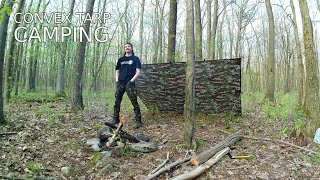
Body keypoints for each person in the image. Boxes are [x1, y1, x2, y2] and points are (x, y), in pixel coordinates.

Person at [110, 42, 142, 128]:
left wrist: (131, 81)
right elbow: (117, 71)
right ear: (124, 49)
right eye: (126, 47)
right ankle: (115, 119)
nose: (127, 48)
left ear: (131, 48)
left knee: (134, 101)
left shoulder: (135, 59)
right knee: (117, 101)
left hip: (130, 83)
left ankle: (138, 121)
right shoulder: (121, 60)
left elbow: (138, 71)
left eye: (128, 46)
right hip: (120, 83)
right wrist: (117, 81)